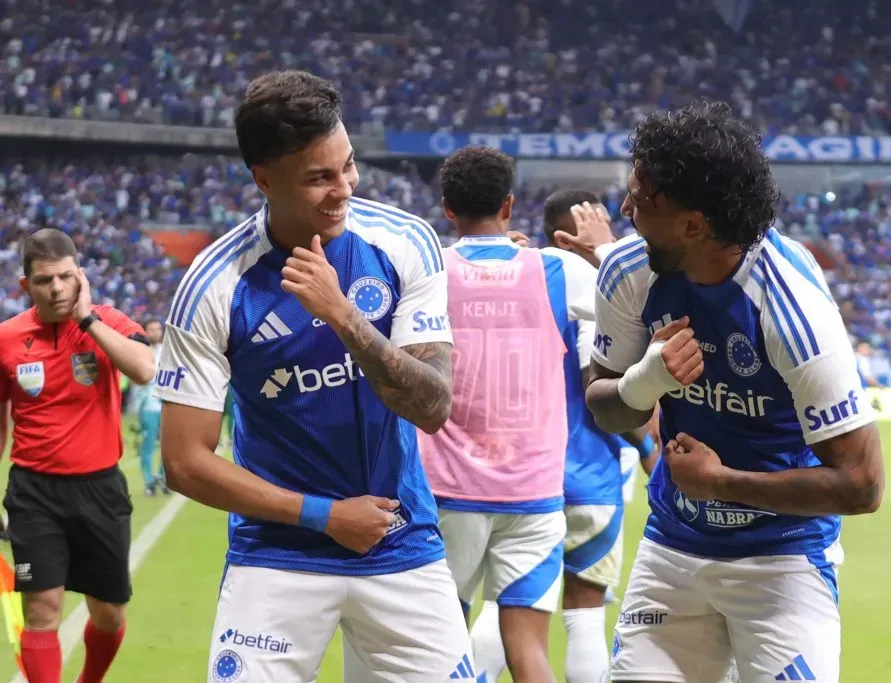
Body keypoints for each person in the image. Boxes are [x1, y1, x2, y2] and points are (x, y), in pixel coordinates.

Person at [155, 70, 473, 683]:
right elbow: (185, 462)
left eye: (348, 166)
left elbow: (433, 406)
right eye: (319, 177)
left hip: (399, 540)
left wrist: (344, 316)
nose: (343, 190)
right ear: (264, 180)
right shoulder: (215, 284)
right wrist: (325, 516)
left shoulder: (405, 244)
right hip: (276, 554)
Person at [570, 102, 885, 683]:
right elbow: (604, 405)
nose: (625, 209)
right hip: (674, 547)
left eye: (642, 199)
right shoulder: (627, 272)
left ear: (694, 225)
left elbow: (863, 484)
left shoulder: (793, 312)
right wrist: (648, 380)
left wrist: (721, 483)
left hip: (781, 561)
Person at [417, 148, 596, 683]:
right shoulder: (556, 271)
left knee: (438, 653)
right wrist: (602, 249)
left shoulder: (431, 270)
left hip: (447, 489)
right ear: (510, 204)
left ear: (447, 208)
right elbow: (637, 289)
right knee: (530, 653)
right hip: (533, 491)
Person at [471, 189, 660, 683]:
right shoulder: (594, 295)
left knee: (504, 604)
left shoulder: (522, 280)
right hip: (590, 477)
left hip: (521, 474)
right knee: (585, 614)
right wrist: (645, 446)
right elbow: (598, 385)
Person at [0, 228, 155, 683]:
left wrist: (88, 321)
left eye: (66, 277)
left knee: (108, 612)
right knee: (42, 610)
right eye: (45, 280)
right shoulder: (6, 339)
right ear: (26, 286)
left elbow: (145, 370)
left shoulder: (109, 321)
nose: (57, 288)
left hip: (100, 489)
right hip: (33, 491)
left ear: (80, 277)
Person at [135, 319, 169, 496]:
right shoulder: (138, 351)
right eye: (151, 329)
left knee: (169, 447)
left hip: (167, 405)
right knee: (148, 446)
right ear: (145, 332)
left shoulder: (169, 351)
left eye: (158, 329)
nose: (155, 332)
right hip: (148, 406)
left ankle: (163, 478)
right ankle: (149, 482)